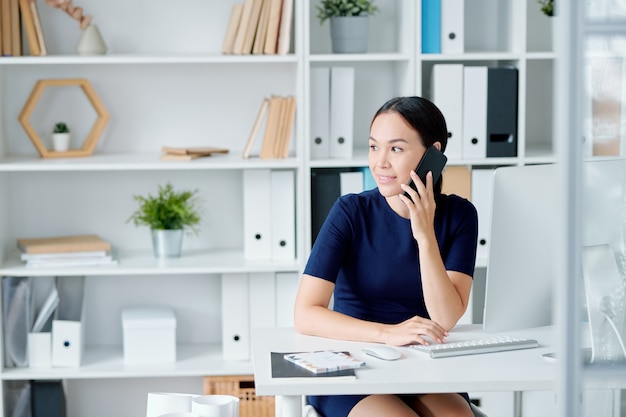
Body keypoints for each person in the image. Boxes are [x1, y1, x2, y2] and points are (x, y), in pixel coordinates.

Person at [294, 96, 479, 417]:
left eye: (395, 149)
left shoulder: (460, 215)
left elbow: (446, 317)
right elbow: (305, 314)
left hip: (423, 363)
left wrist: (424, 235)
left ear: (432, 154)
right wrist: (388, 333)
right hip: (355, 362)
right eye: (373, 147)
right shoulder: (350, 212)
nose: (380, 163)